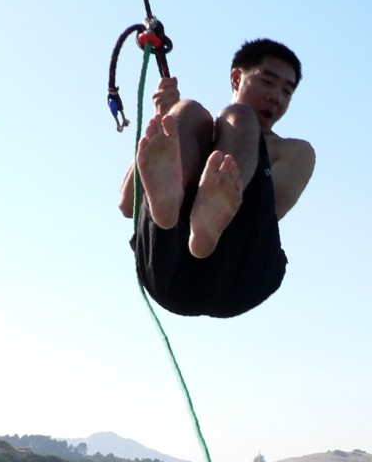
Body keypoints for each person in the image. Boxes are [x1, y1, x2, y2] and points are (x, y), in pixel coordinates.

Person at [120, 38, 316, 317]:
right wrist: (165, 119)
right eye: (268, 82)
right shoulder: (194, 132)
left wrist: (227, 173)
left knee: (239, 117)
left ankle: (206, 225)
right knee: (187, 110)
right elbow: (128, 204)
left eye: (287, 91)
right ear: (236, 78)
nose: (277, 97)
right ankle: (173, 208)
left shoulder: (294, 151)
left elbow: (269, 211)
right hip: (167, 266)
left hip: (240, 274)